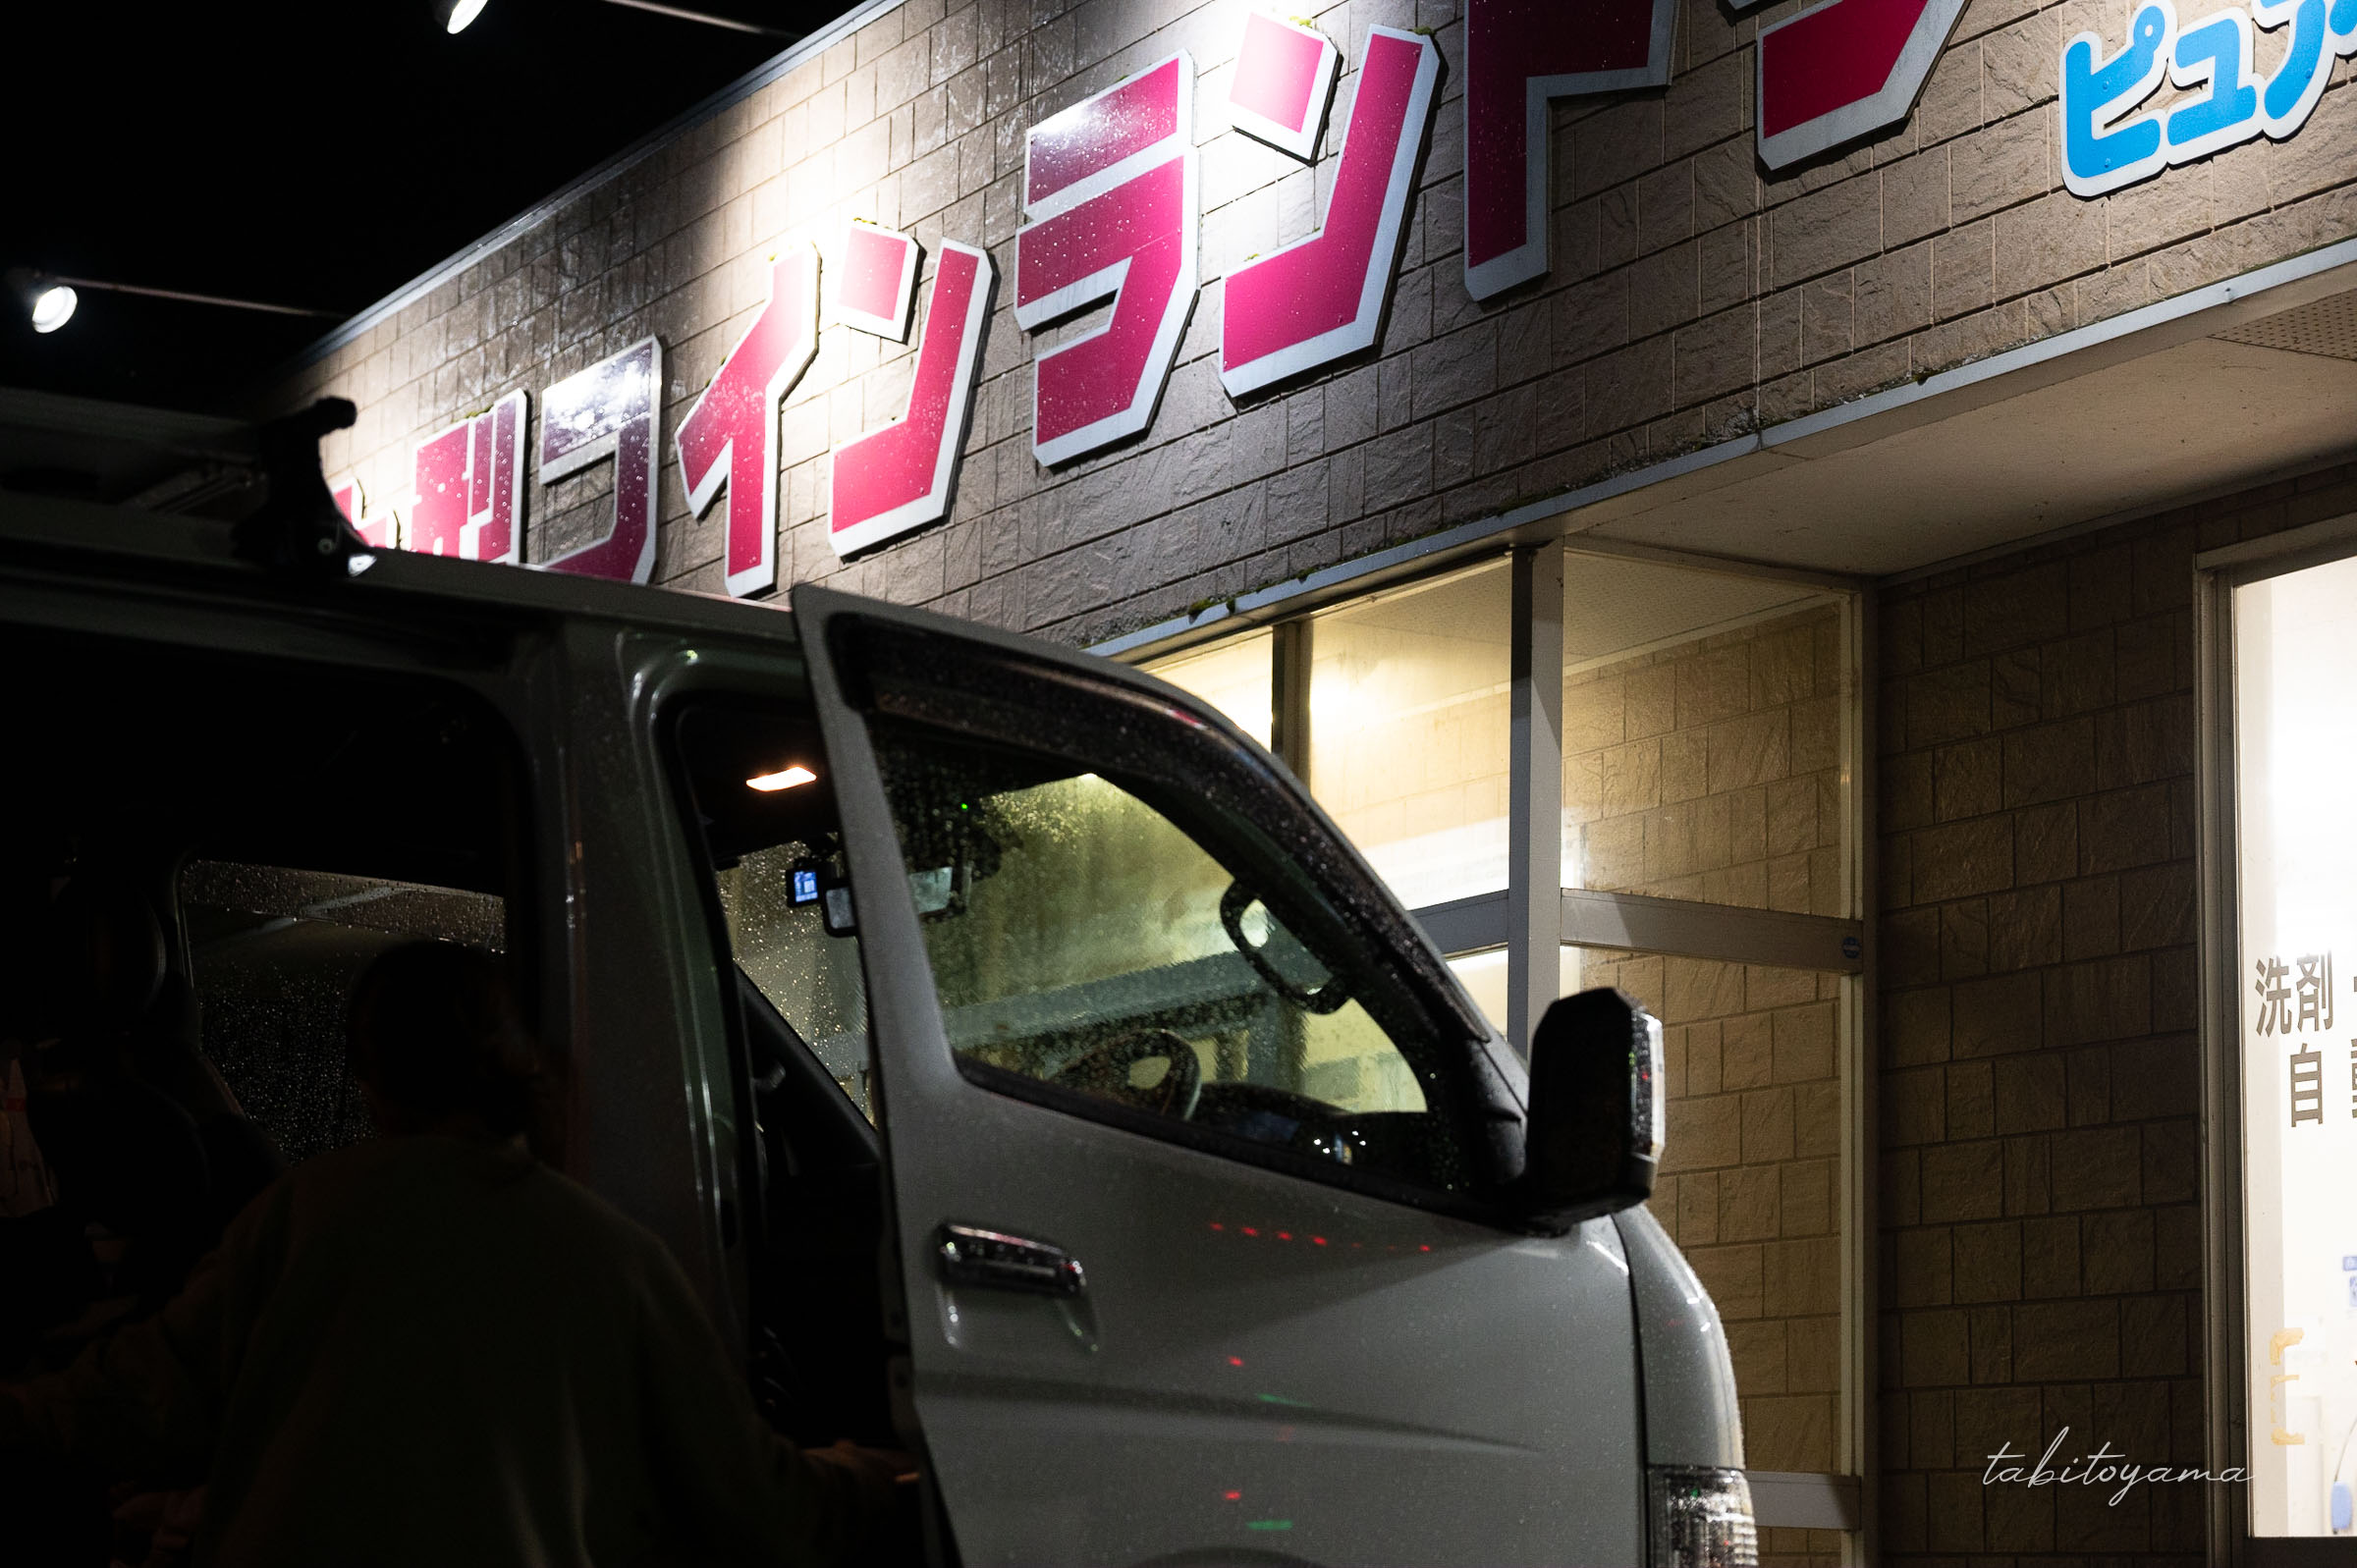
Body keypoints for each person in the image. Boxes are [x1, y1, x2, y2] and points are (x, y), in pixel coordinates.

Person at [0, 940, 911, 1566]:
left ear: (371, 1082)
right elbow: (754, 1504)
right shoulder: (611, 1255)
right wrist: (873, 1476)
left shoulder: (296, 1218)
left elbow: (127, 1403)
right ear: (528, 1070)